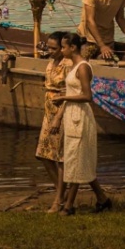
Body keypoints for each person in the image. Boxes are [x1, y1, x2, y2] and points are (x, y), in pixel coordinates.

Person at [56, 32, 111, 215]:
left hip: (80, 116)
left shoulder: (82, 67)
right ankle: (103, 199)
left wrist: (64, 96)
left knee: (77, 161)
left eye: (64, 47)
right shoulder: (73, 67)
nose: (62, 50)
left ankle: (68, 206)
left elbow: (88, 96)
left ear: (72, 48)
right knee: (79, 161)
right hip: (72, 116)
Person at [35, 30, 73, 212]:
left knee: (60, 157)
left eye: (54, 48)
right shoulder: (51, 63)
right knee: (42, 154)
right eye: (48, 47)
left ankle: (58, 200)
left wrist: (58, 117)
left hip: (61, 112)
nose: (50, 51)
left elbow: (70, 92)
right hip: (49, 111)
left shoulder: (68, 64)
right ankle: (61, 191)